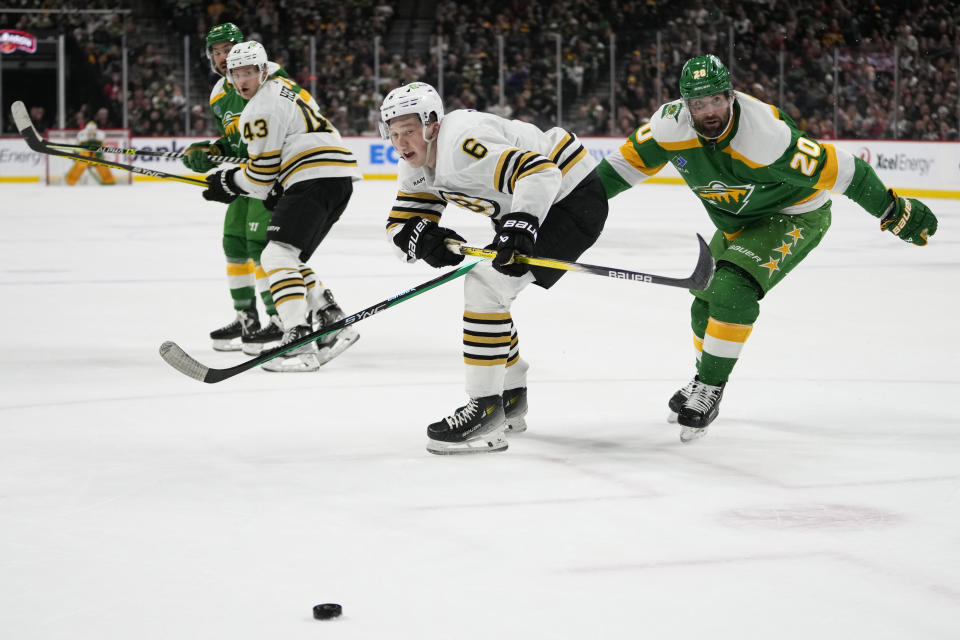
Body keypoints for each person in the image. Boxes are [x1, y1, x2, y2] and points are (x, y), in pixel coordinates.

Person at [596, 54, 939, 443]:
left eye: (716, 101)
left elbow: (846, 170)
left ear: (730, 96)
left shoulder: (765, 138)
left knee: (731, 290)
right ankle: (703, 379)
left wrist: (891, 207)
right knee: (703, 302)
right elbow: (618, 171)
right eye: (698, 104)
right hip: (739, 222)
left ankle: (711, 387)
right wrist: (562, 212)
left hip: (795, 215)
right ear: (685, 105)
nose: (709, 112)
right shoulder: (668, 126)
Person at [380, 82, 608, 454]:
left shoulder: (462, 144)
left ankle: (487, 410)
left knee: (485, 288)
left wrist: (522, 224)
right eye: (393, 133)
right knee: (491, 292)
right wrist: (423, 240)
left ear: (432, 125)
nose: (402, 143)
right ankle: (511, 395)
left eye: (409, 130)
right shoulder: (417, 166)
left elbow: (541, 172)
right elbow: (400, 226)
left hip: (571, 196)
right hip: (530, 204)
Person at [201, 41, 362, 372]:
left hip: (312, 177)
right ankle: (332, 320)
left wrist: (227, 183)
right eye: (236, 73)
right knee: (287, 257)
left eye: (249, 72)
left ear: (262, 71)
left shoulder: (258, 109)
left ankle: (298, 342)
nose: (242, 80)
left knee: (274, 256)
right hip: (336, 177)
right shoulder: (286, 86)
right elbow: (275, 167)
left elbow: (259, 177)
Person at [184, 23, 284, 356]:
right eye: (215, 52)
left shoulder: (269, 78)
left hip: (273, 178)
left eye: (227, 49)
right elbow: (234, 142)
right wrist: (210, 151)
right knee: (234, 242)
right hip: (244, 178)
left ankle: (280, 320)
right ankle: (247, 319)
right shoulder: (218, 93)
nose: (222, 57)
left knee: (262, 246)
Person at [65, 121, 116, 186]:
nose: (91, 132)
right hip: (85, 157)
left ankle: (109, 181)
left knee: (103, 165)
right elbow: (77, 147)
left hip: (96, 156)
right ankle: (70, 181)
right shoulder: (81, 134)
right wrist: (75, 154)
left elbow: (103, 146)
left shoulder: (101, 134)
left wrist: (99, 154)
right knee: (80, 164)